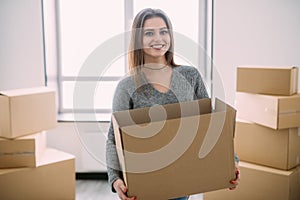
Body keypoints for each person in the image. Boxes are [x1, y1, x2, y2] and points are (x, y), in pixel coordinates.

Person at [106, 8, 240, 200]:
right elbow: (113, 137)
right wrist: (115, 180)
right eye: (149, 33)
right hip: (144, 186)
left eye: (163, 31)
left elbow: (211, 124)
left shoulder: (190, 76)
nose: (158, 38)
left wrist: (231, 162)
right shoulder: (127, 86)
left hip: (182, 184)